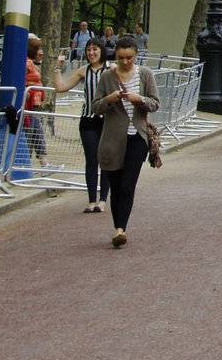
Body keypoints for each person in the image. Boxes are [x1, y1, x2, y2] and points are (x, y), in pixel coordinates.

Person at [93, 36, 160, 248]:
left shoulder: (146, 75)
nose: (124, 62)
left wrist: (138, 99)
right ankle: (118, 227)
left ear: (136, 56)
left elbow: (155, 103)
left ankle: (121, 229)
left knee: (127, 184)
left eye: (129, 58)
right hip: (113, 138)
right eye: (121, 58)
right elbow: (96, 107)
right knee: (115, 184)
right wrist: (110, 99)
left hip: (137, 138)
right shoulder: (106, 77)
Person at [54, 37, 111, 212]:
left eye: (95, 49)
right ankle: (91, 200)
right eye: (88, 50)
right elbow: (61, 87)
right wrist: (57, 68)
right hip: (88, 119)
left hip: (108, 120)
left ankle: (103, 200)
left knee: (106, 160)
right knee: (91, 160)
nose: (91, 53)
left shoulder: (112, 69)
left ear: (101, 50)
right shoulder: (82, 71)